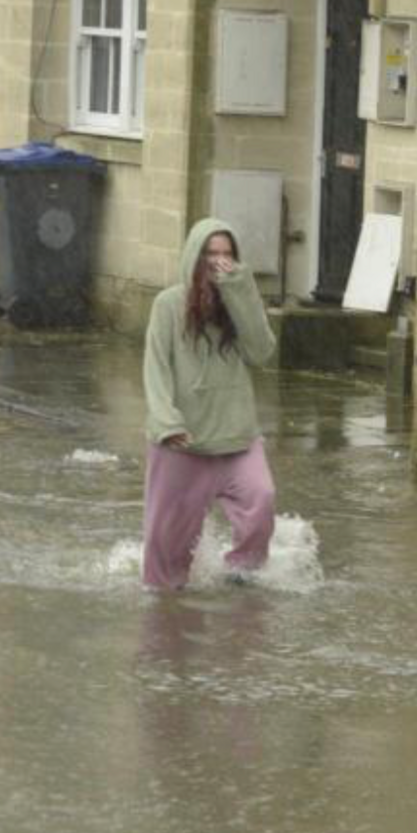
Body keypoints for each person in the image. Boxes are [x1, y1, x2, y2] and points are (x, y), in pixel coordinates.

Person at [141, 218, 279, 590]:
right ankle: (165, 611)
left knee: (261, 500)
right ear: (193, 258)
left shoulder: (238, 301)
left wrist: (242, 291)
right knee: (167, 548)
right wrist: (167, 422)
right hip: (182, 440)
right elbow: (156, 367)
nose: (219, 263)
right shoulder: (167, 304)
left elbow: (262, 352)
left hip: (236, 437)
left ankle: (241, 576)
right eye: (211, 255)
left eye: (227, 255)